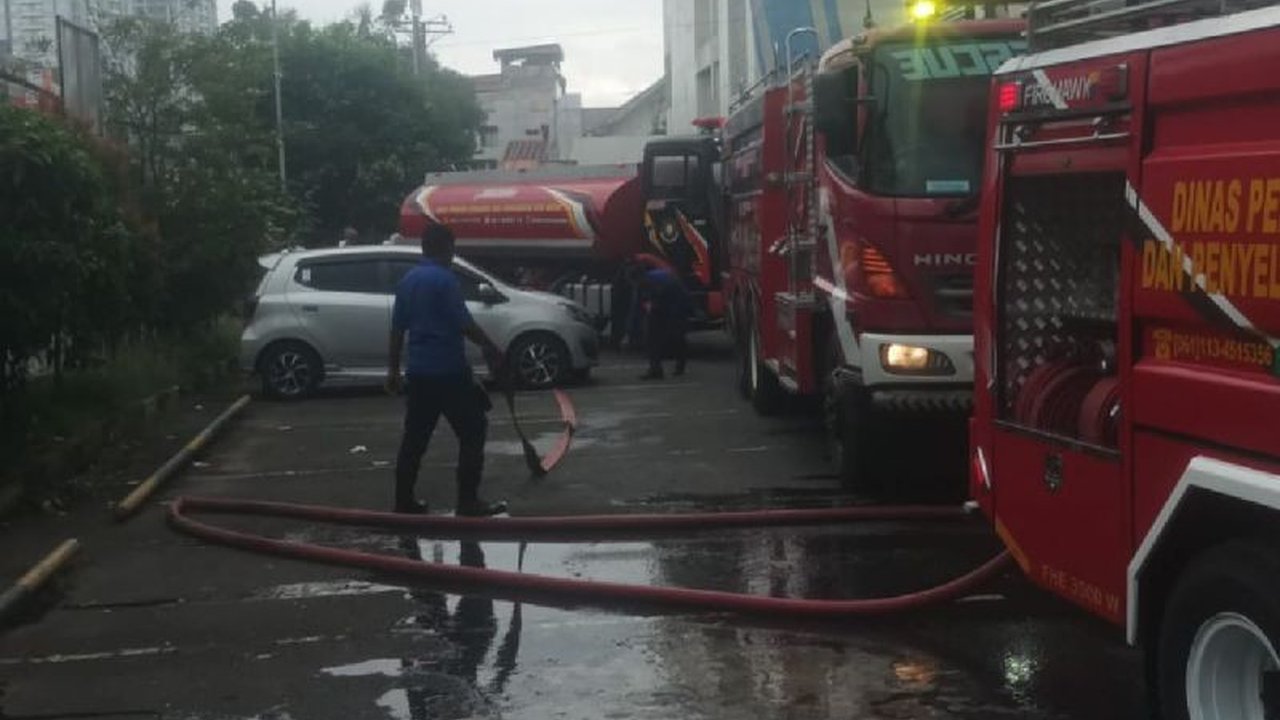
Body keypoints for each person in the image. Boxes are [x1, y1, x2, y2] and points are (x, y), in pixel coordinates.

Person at [387, 223, 507, 516]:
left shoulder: (408, 281)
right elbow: (463, 323)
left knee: (414, 439)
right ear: (446, 248)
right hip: (449, 372)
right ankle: (467, 501)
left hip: (419, 373)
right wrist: (490, 347)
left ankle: (403, 502)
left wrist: (393, 371)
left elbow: (397, 329)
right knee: (473, 430)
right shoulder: (444, 280)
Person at [629, 264, 692, 380]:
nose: (635, 285)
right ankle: (660, 369)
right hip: (673, 305)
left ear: (638, 278)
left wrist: (651, 310)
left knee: (669, 337)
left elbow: (658, 302)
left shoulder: (653, 282)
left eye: (635, 282)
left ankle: (665, 368)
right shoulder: (648, 280)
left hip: (676, 306)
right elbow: (639, 306)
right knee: (657, 338)